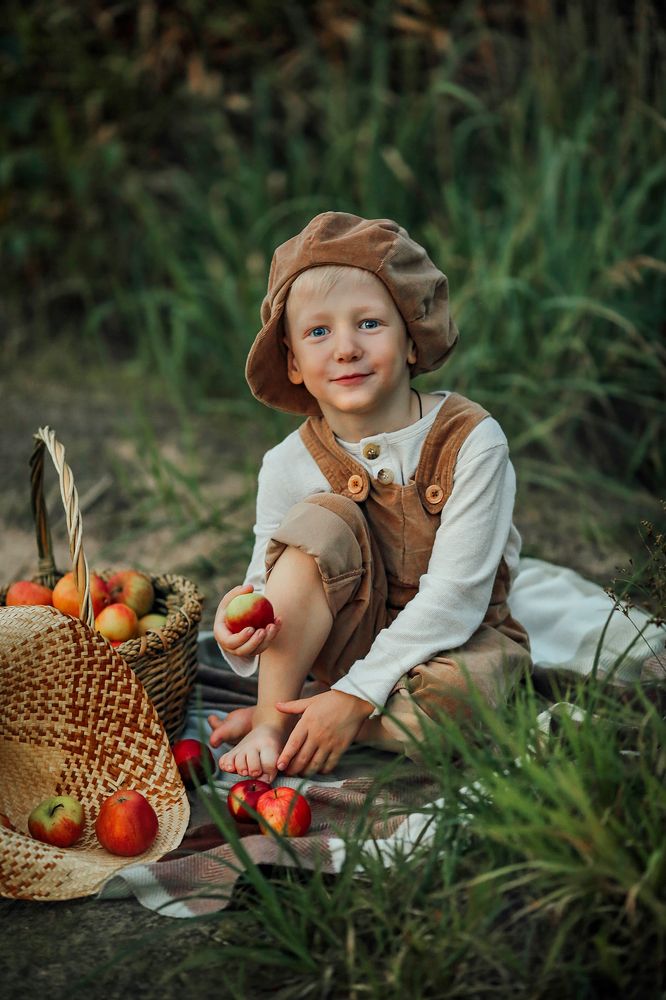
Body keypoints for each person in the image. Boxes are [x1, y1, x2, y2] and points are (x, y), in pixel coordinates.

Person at [208, 211, 531, 783]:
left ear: (412, 340)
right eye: (318, 332)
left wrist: (353, 699)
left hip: (460, 644)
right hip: (346, 646)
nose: (346, 348)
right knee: (318, 522)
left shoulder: (471, 440)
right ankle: (271, 718)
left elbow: (457, 596)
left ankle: (312, 719)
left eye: (369, 324)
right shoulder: (287, 463)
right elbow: (266, 583)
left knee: (464, 704)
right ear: (292, 363)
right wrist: (237, 628)